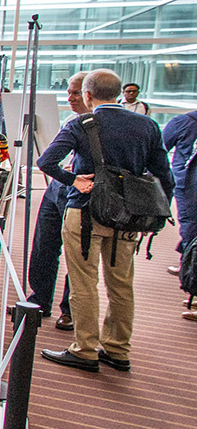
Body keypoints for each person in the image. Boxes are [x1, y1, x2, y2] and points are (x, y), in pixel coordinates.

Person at [38, 70, 172, 372]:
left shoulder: (82, 124)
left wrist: (73, 180)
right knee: (122, 283)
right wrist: (159, 212)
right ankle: (118, 348)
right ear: (120, 93)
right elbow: (164, 175)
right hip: (129, 215)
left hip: (86, 210)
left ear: (87, 95)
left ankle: (85, 348)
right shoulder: (148, 125)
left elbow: (46, 161)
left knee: (84, 282)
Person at [22, 72, 89, 331]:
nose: (70, 98)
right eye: (69, 92)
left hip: (82, 194)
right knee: (43, 248)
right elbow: (50, 160)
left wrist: (72, 179)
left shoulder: (97, 124)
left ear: (89, 93)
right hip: (58, 189)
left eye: (75, 93)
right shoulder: (73, 122)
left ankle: (70, 311)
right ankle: (39, 300)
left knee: (79, 255)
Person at [162, 105, 197, 256]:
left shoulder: (183, 121)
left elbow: (159, 150)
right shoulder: (184, 121)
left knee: (190, 222)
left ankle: (189, 264)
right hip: (187, 180)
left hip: (187, 180)